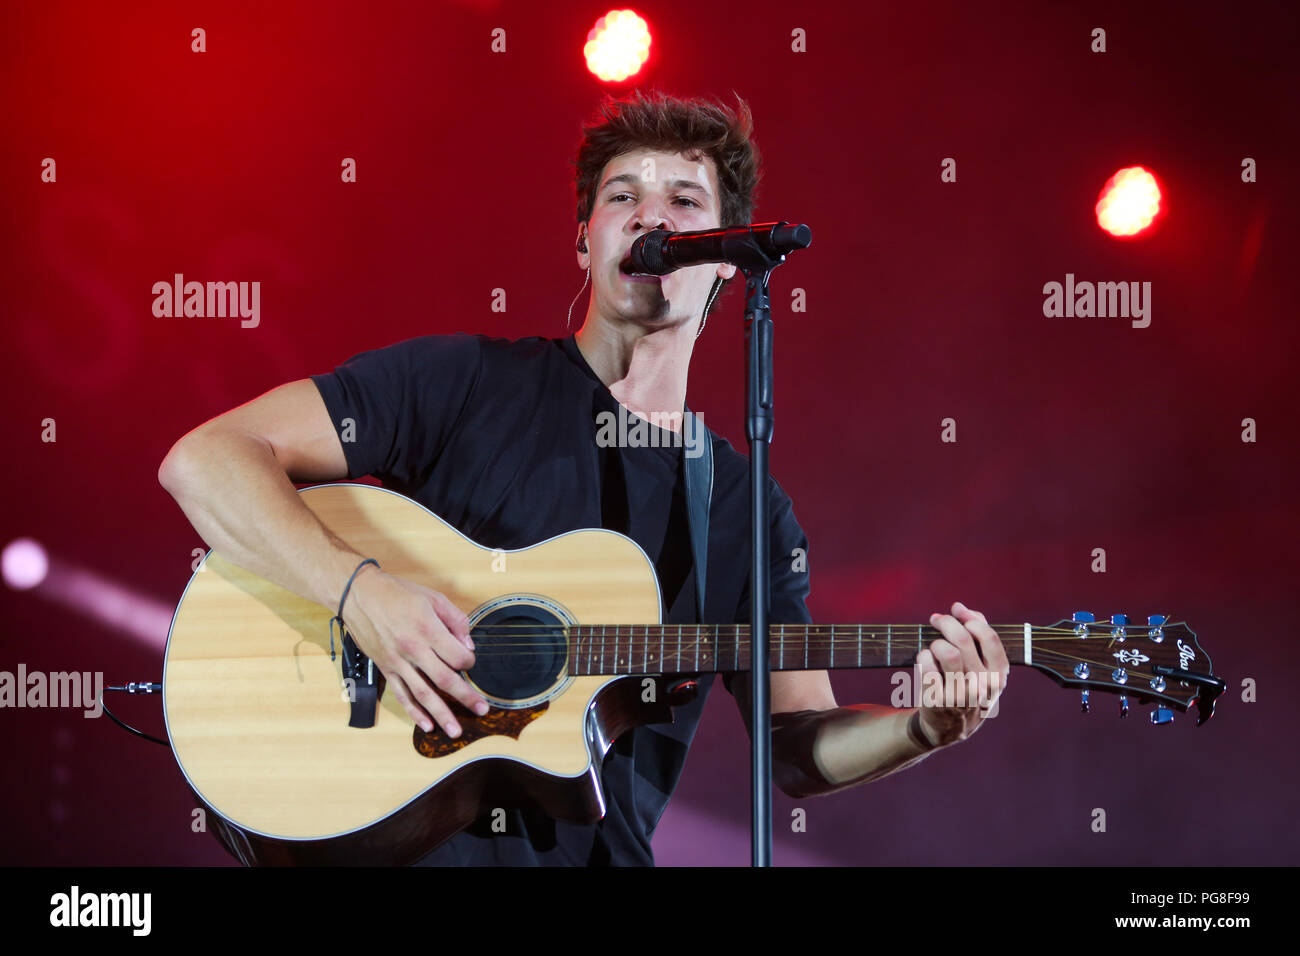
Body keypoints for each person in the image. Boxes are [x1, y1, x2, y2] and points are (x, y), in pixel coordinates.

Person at [158, 89, 1009, 866]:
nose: (652, 216)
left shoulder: (743, 509)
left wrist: (924, 727)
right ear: (584, 240)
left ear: (725, 259)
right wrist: (360, 593)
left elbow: (798, 746)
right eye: (623, 196)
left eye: (685, 203)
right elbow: (207, 459)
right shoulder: (463, 383)